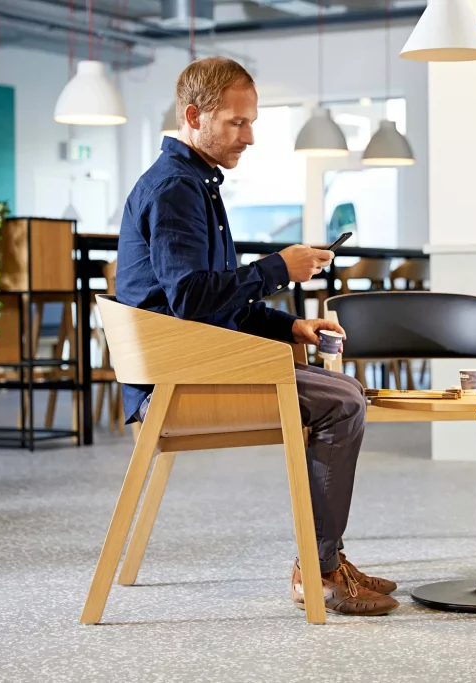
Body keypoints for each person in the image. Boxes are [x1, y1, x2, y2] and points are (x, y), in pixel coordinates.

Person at [114, 57, 398, 617]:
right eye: (237, 123)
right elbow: (193, 301)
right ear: (194, 117)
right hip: (175, 385)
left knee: (339, 390)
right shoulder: (175, 189)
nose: (249, 136)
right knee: (343, 400)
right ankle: (319, 570)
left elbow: (215, 305)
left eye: (251, 122)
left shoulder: (195, 183)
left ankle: (325, 558)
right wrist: (278, 267)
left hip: (192, 362)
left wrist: (292, 326)